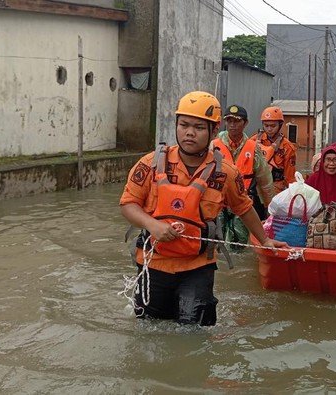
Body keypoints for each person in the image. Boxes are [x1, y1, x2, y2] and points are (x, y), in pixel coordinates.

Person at [119, 91, 287, 326]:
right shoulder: (150, 163)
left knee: (194, 329)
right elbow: (128, 204)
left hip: (197, 265)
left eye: (198, 127)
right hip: (153, 262)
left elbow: (244, 208)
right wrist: (152, 225)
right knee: (149, 327)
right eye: (184, 125)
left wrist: (266, 240)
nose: (189, 132)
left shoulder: (225, 172)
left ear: (213, 130)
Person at [212, 105, 274, 248]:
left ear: (245, 123)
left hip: (241, 202)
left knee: (239, 243)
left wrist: (269, 208)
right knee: (214, 243)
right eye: (229, 121)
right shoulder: (213, 145)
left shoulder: (253, 148)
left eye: (237, 121)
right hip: (217, 202)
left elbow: (265, 181)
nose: (232, 125)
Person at [251, 106, 297, 193]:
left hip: (276, 188)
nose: (269, 129)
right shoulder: (254, 141)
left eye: (273, 126)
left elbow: (290, 177)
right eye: (266, 126)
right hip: (255, 185)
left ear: (280, 125)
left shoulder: (287, 147)